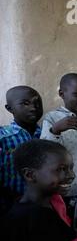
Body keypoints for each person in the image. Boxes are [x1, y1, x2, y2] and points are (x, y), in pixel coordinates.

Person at [40, 73, 77, 217]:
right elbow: (44, 152)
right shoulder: (52, 118)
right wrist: (56, 130)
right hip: (67, 188)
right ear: (62, 94)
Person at [0, 86, 43, 215]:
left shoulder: (47, 134)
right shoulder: (3, 136)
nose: (33, 107)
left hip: (43, 203)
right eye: (25, 103)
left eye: (37, 103)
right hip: (9, 204)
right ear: (9, 108)